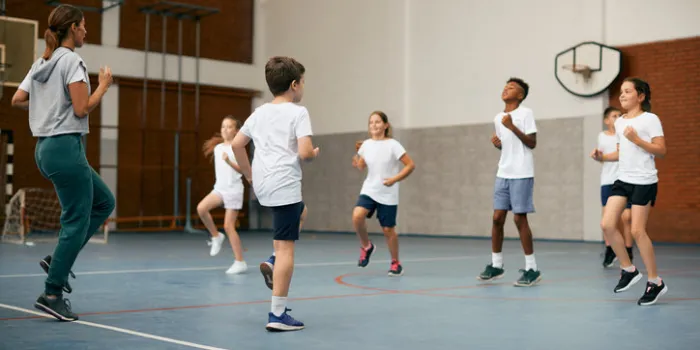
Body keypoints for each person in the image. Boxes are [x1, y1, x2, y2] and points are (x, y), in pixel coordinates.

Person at [11, 4, 115, 321]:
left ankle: (58, 258)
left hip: (45, 150)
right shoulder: (71, 61)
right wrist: (103, 86)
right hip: (66, 148)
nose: (86, 31)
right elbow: (82, 109)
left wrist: (45, 105)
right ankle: (52, 292)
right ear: (72, 28)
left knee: (104, 202)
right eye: (83, 26)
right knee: (75, 221)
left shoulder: (42, 62)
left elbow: (17, 100)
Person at [231, 56, 318, 331]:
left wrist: (248, 174)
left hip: (264, 186)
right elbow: (305, 153)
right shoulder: (298, 112)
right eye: (302, 82)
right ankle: (277, 314)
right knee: (285, 248)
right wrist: (312, 153)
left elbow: (236, 144)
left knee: (301, 212)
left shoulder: (259, 113)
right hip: (284, 185)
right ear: (294, 84)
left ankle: (271, 259)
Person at [594, 77, 668, 306]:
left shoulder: (650, 119)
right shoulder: (619, 123)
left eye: (627, 91)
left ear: (641, 96)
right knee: (607, 224)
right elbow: (620, 152)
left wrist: (637, 139)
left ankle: (655, 281)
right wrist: (602, 157)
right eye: (621, 92)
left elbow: (661, 150)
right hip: (622, 179)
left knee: (637, 230)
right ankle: (628, 269)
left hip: (644, 181)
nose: (622, 95)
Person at [477, 77, 541, 287]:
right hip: (503, 172)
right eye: (505, 86)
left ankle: (532, 269)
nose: (506, 89)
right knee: (497, 218)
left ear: (520, 95)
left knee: (519, 219)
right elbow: (508, 146)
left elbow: (531, 143)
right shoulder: (498, 117)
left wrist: (512, 127)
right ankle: (497, 265)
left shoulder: (526, 113)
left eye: (511, 87)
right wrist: (498, 144)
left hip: (522, 172)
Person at [351, 111, 415, 276]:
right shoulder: (366, 145)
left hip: (388, 192)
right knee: (357, 216)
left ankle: (395, 262)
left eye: (377, 122)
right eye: (371, 122)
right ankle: (366, 246)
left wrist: (395, 179)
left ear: (385, 125)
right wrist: (357, 159)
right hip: (370, 189)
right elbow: (361, 166)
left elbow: (410, 165)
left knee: (388, 230)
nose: (374, 125)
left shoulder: (393, 145)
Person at [198, 116, 247, 274]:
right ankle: (216, 236)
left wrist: (229, 162)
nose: (225, 130)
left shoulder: (238, 147)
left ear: (236, 130)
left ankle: (240, 261)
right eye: (223, 127)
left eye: (229, 127)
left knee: (228, 226)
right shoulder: (218, 148)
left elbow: (245, 170)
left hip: (234, 190)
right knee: (201, 209)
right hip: (219, 188)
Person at [591, 107, 633, 268]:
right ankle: (610, 248)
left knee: (626, 217)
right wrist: (597, 156)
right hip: (607, 180)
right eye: (613, 116)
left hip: (624, 179)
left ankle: (628, 250)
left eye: (619, 115)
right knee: (607, 219)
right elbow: (601, 158)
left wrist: (605, 157)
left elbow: (621, 154)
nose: (617, 118)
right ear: (606, 120)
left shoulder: (625, 134)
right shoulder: (602, 136)